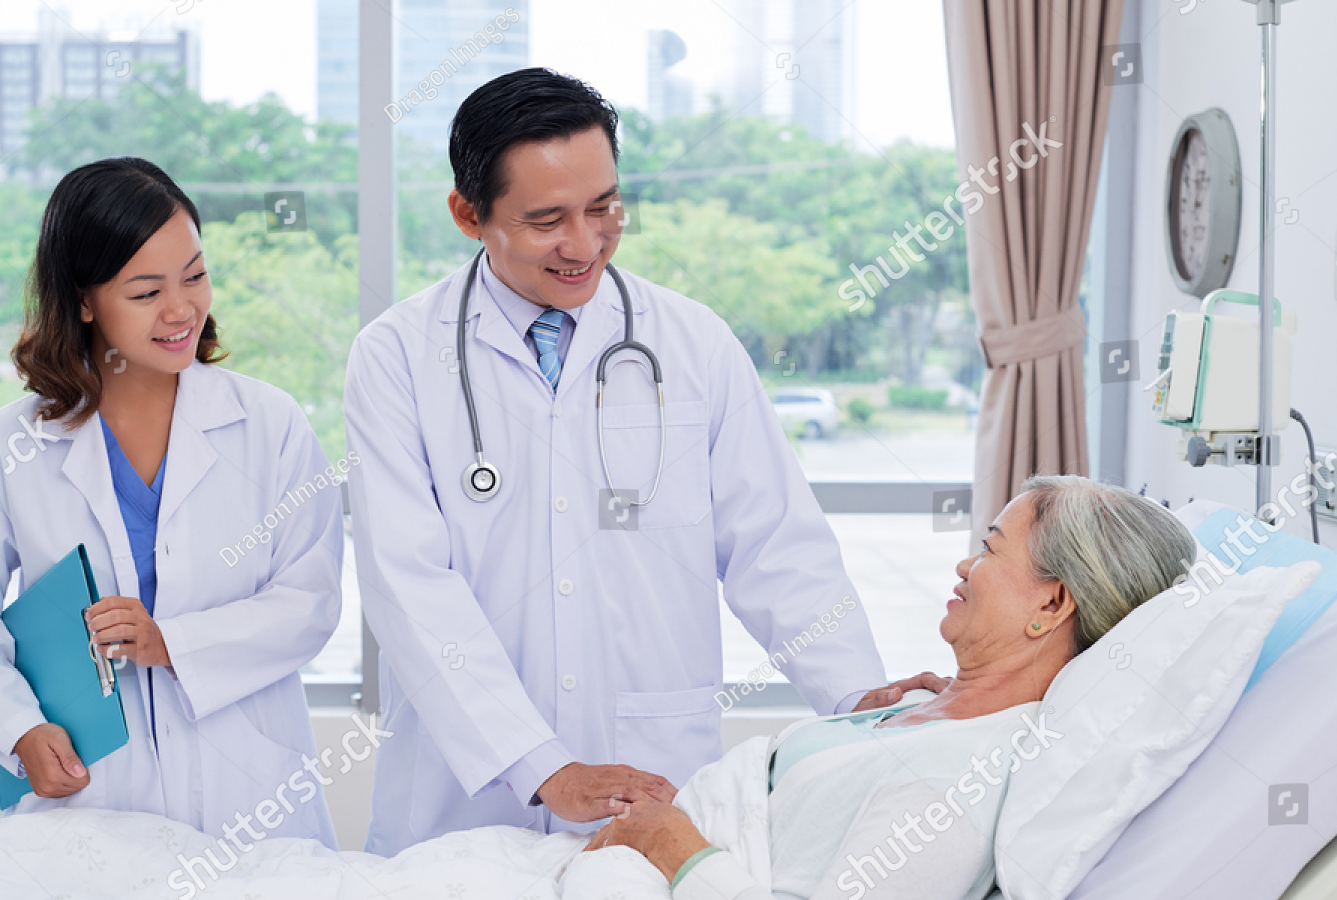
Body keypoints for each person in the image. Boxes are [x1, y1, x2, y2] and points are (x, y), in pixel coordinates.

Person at [346, 68, 935, 856]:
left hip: (652, 787)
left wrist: (859, 698)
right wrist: (541, 764)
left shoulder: (692, 343)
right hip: (463, 807)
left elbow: (775, 545)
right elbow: (409, 584)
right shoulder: (396, 357)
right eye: (547, 219)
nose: (584, 243)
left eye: (604, 208)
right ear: (468, 214)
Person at [588, 476, 1197, 900]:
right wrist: (880, 722)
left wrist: (672, 841)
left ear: (1052, 604)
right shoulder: (929, 708)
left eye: (989, 549)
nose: (965, 566)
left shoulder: (952, 786)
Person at [0, 158, 344, 846]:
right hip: (92, 797)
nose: (181, 310)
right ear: (84, 300)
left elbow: (311, 601)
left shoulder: (270, 425)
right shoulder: (10, 445)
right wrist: (18, 728)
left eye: (195, 276)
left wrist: (171, 642)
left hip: (248, 789)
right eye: (146, 292)